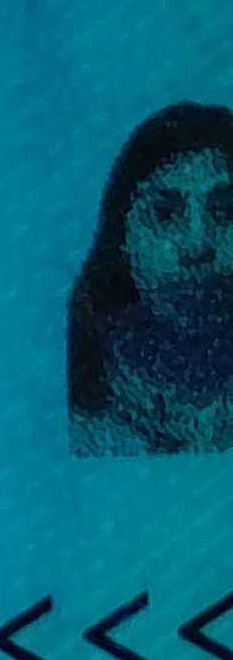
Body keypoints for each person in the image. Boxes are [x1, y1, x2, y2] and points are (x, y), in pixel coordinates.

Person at [69, 103, 233, 457]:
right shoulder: (85, 423)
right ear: (123, 239)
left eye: (226, 212)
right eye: (164, 214)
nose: (198, 244)